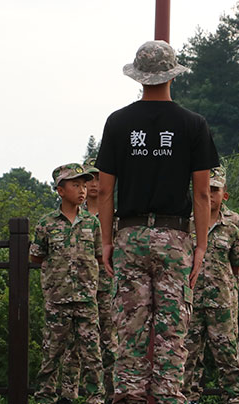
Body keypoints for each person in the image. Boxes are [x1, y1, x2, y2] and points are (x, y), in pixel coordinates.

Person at [95, 39, 220, 403]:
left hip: (130, 234)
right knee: (171, 331)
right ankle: (167, 396)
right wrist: (201, 244)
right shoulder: (193, 124)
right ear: (171, 75)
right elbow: (201, 193)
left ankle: (129, 397)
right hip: (175, 236)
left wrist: (107, 240)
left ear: (139, 77)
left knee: (130, 328)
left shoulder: (118, 123)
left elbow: (105, 191)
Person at [30, 163, 103, 404]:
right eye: (75, 185)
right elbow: (36, 256)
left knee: (92, 354)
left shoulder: (92, 223)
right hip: (57, 300)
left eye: (84, 185)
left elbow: (100, 256)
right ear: (60, 190)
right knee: (52, 353)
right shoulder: (46, 223)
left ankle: (95, 398)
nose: (82, 190)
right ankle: (45, 398)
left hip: (86, 299)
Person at [182, 166, 239, 404]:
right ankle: (187, 397)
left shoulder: (233, 224)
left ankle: (234, 398)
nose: (210, 194)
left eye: (215, 190)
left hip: (222, 301)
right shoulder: (187, 221)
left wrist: (228, 290)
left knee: (227, 353)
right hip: (191, 299)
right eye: (206, 189)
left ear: (225, 194)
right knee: (188, 353)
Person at [80, 156, 117, 402]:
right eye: (90, 178)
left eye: (99, 178)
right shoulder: (73, 214)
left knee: (111, 345)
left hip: (107, 287)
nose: (94, 184)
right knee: (79, 348)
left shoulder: (115, 216)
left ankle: (114, 395)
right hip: (79, 290)